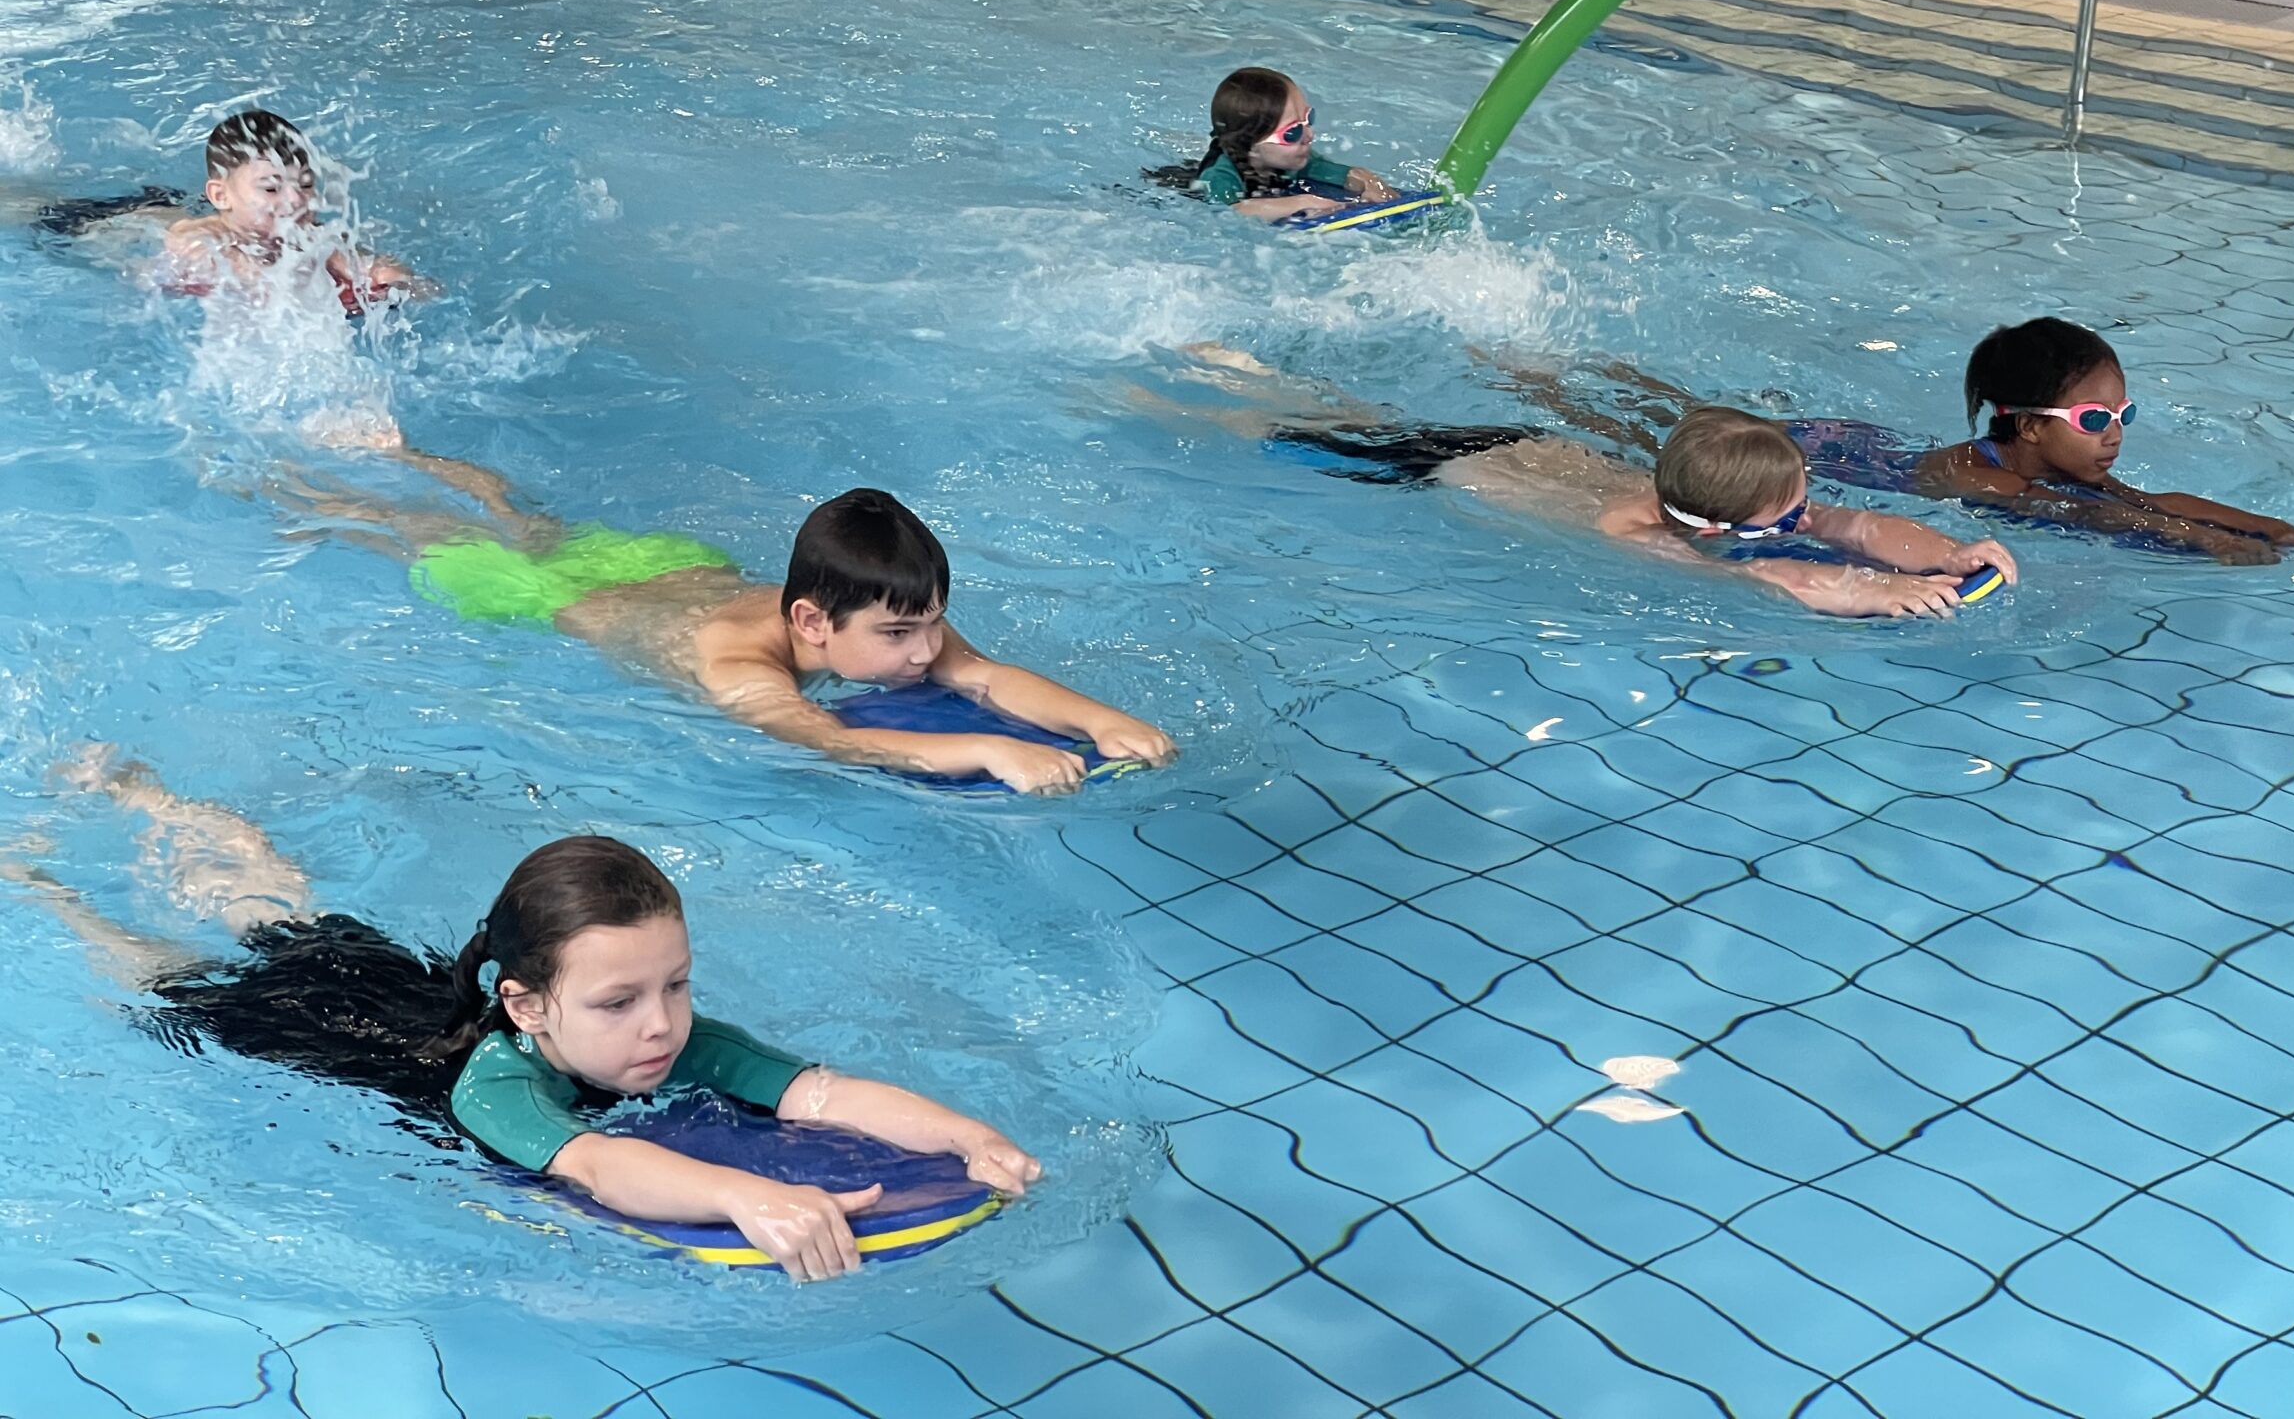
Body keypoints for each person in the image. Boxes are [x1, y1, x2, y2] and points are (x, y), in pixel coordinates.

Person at [12, 745, 1039, 1283]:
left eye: (677, 984)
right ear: (526, 1005)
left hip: (394, 983)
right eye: (619, 1000)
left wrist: (966, 1135)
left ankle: (146, 797)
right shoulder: (497, 1084)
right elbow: (597, 1165)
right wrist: (746, 1197)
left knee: (285, 909)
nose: (662, 1025)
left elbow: (823, 1092)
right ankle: (43, 884)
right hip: (317, 1027)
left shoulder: (673, 1043)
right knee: (161, 972)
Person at [281, 480, 1177, 795]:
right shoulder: (737, 667)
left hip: (669, 565)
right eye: (903, 634)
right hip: (555, 599)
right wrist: (988, 751)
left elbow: (986, 676)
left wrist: (1101, 721)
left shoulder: (886, 611)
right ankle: (311, 495)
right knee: (421, 534)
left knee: (532, 517)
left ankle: (420, 464)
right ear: (812, 622)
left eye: (933, 625)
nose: (924, 652)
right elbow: (828, 737)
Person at [1143, 350, 2017, 619]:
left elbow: (1850, 525)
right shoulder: (1639, 538)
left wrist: (1947, 552)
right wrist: (1876, 593)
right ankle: (1170, 398)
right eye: (1784, 515)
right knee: (1292, 436)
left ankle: (1248, 373)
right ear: (1715, 529)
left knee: (1355, 415)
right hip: (1452, 469)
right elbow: (1778, 576)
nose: (1803, 519)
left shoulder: (1723, 499)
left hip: (1522, 444)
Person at [1906, 317, 2294, 563]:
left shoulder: (2063, 463)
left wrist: (2269, 527)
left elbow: (2150, 503)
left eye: (2122, 414)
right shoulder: (1977, 476)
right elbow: (2085, 513)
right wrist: (2207, 539)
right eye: (2093, 419)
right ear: (2030, 427)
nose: (2114, 434)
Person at [156, 110, 424, 319]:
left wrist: (388, 282)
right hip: (154, 210)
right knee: (156, 215)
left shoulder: (315, 237)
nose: (296, 199)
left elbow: (407, 281)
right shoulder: (202, 236)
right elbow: (194, 247)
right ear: (221, 195)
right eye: (272, 188)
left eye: (306, 184)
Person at [1158, 68, 1391, 222]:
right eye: (1292, 132)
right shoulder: (1219, 176)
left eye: (1308, 119)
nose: (1309, 135)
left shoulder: (1296, 158)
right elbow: (1231, 210)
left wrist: (1371, 184)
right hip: (1183, 190)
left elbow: (1344, 173)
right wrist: (1304, 202)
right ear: (1252, 145)